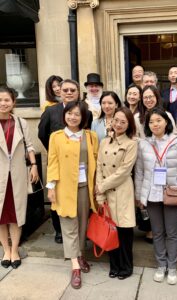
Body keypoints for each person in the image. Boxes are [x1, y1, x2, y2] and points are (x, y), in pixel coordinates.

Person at [135, 107, 177, 285]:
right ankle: (161, 265)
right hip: (152, 194)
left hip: (172, 193)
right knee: (158, 232)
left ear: (166, 122)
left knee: (173, 232)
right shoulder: (144, 144)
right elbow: (139, 172)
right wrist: (139, 196)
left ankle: (172, 267)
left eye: (158, 120)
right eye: (151, 122)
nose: (155, 124)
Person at [46, 100, 98, 289]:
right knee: (68, 225)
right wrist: (51, 187)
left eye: (77, 114)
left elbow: (96, 161)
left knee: (83, 224)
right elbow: (52, 163)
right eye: (69, 113)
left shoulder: (91, 136)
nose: (72, 117)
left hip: (85, 187)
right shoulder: (56, 137)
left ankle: (81, 254)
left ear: (83, 117)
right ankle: (75, 266)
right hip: (64, 188)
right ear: (64, 115)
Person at [38, 79, 93, 244]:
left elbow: (86, 136)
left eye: (72, 90)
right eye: (65, 90)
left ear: (78, 93)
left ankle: (81, 235)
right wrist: (57, 152)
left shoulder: (86, 112)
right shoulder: (50, 111)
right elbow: (42, 133)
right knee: (58, 199)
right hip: (59, 163)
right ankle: (59, 230)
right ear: (59, 92)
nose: (69, 93)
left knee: (80, 201)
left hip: (80, 167)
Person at [96, 106, 138, 280]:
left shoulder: (131, 144)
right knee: (109, 231)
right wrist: (99, 193)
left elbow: (124, 171)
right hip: (105, 192)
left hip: (122, 191)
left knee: (124, 232)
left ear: (129, 124)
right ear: (111, 121)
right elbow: (99, 166)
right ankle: (114, 265)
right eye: (116, 120)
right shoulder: (104, 141)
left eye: (123, 121)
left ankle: (126, 266)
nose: (119, 124)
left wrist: (103, 185)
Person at [0, 86, 39, 269]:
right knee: (0, 216)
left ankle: (15, 249)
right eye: (0, 100)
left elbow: (29, 146)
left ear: (13, 102)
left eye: (7, 100)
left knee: (16, 214)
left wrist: (34, 166)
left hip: (17, 175)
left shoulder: (21, 123)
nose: (3, 103)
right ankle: (5, 250)